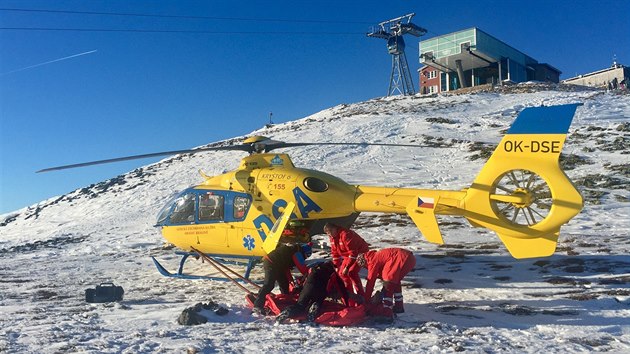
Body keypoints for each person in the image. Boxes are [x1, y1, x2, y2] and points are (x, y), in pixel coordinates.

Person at [275, 261, 349, 324]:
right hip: (320, 290)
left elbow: (302, 281)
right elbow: (341, 287)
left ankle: (288, 311)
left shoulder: (312, 269)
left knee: (300, 305)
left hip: (307, 288)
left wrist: (299, 291)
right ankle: (314, 307)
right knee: (318, 301)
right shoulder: (332, 272)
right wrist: (347, 303)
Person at [356, 248, 416, 321]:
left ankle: (387, 313)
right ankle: (399, 306)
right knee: (394, 282)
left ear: (363, 261)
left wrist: (367, 300)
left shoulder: (372, 260)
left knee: (388, 285)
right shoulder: (376, 256)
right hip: (410, 259)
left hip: (400, 257)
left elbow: (370, 281)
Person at [251, 243, 312, 315]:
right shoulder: (298, 253)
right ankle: (258, 305)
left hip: (279, 265)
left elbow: (286, 269)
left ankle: (285, 300)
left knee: (284, 284)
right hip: (271, 262)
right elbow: (302, 268)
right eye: (307, 255)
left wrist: (291, 281)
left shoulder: (293, 250)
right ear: (304, 252)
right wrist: (309, 274)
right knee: (269, 284)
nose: (306, 257)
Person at [323, 223, 370, 300]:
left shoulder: (346, 235)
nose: (329, 234)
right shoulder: (332, 238)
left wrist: (347, 267)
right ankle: (349, 297)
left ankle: (361, 296)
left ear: (335, 228)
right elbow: (335, 253)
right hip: (347, 256)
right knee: (341, 275)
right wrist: (336, 266)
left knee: (352, 272)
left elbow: (353, 253)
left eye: (330, 231)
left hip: (360, 253)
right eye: (327, 233)